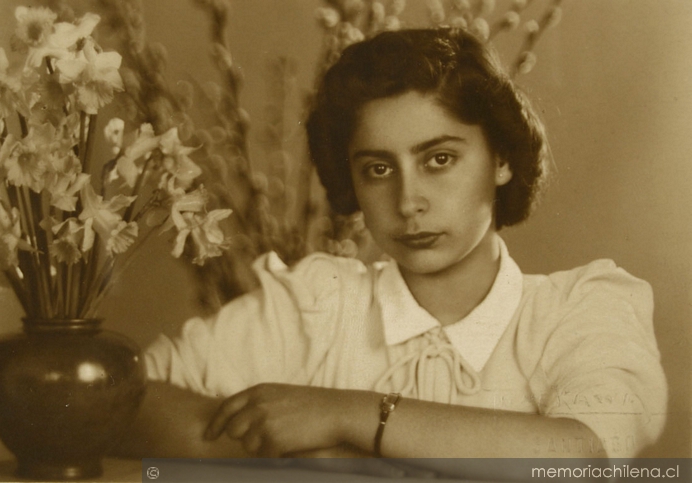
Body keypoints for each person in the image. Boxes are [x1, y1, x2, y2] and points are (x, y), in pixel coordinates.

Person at [115, 28, 667, 480]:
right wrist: (310, 458)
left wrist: (347, 416)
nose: (407, 202)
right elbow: (119, 401)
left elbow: (588, 460)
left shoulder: (580, 309)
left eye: (439, 159)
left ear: (500, 158)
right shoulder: (313, 307)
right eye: (378, 169)